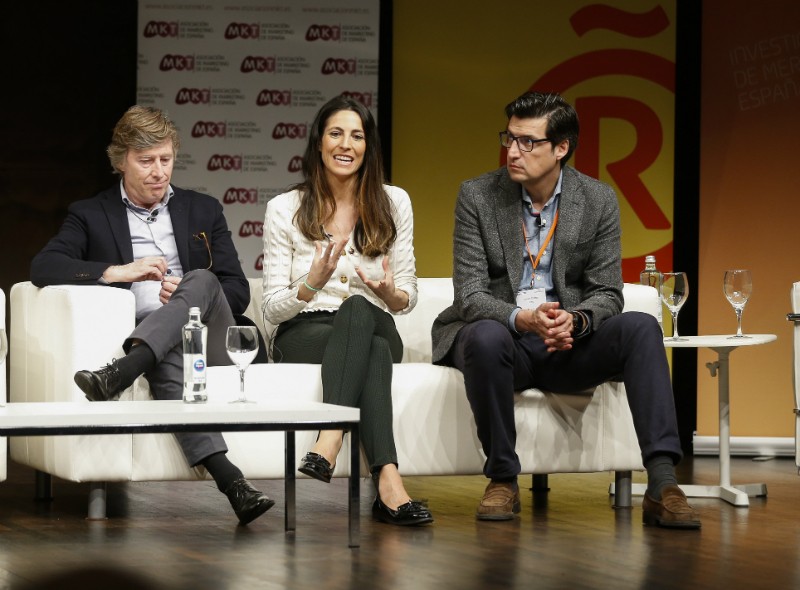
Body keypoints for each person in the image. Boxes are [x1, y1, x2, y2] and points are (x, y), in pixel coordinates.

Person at [431, 91, 701, 529]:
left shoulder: (597, 199)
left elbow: (607, 291)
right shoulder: (477, 196)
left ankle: (662, 483)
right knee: (483, 334)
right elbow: (470, 294)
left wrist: (575, 320)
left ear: (561, 148)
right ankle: (502, 478)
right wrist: (523, 319)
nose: (512, 151)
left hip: (566, 343)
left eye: (527, 142)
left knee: (640, 327)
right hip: (504, 341)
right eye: (509, 138)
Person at [30, 105, 274, 526]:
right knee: (164, 347)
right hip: (157, 339)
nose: (159, 172)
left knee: (200, 279)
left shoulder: (204, 210)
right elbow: (44, 266)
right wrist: (116, 272)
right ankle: (233, 482)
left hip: (212, 336)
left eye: (166, 159)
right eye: (146, 161)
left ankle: (123, 371)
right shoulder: (90, 214)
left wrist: (189, 292)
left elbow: (236, 288)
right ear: (121, 160)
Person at [262, 95, 433, 526]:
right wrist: (311, 284)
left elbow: (408, 295)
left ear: (368, 146)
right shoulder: (284, 208)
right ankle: (389, 483)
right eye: (336, 133)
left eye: (357, 136)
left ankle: (330, 438)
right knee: (373, 350)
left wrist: (390, 294)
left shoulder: (394, 202)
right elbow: (271, 310)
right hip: (305, 332)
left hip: (376, 318)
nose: (346, 144)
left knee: (359, 308)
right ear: (319, 142)